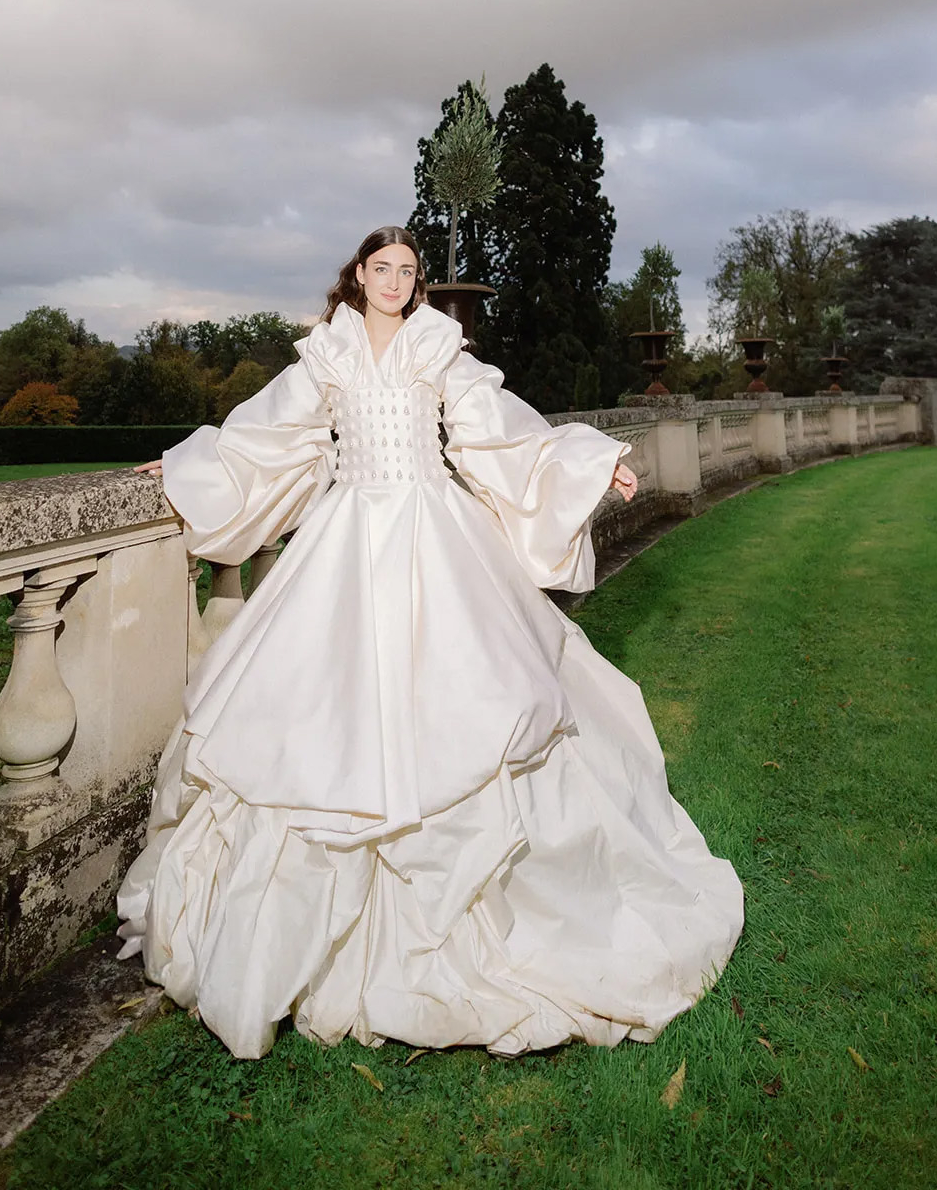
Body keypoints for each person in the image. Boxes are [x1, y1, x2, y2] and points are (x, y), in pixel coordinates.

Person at [117, 225, 743, 1059]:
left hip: (432, 534)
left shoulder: (438, 346)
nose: (394, 282)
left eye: (407, 272)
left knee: (473, 699)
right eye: (382, 269)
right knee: (315, 716)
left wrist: (591, 464)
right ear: (358, 276)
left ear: (415, 284)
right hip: (345, 540)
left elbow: (498, 433)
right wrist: (183, 466)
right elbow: (266, 435)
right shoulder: (327, 353)